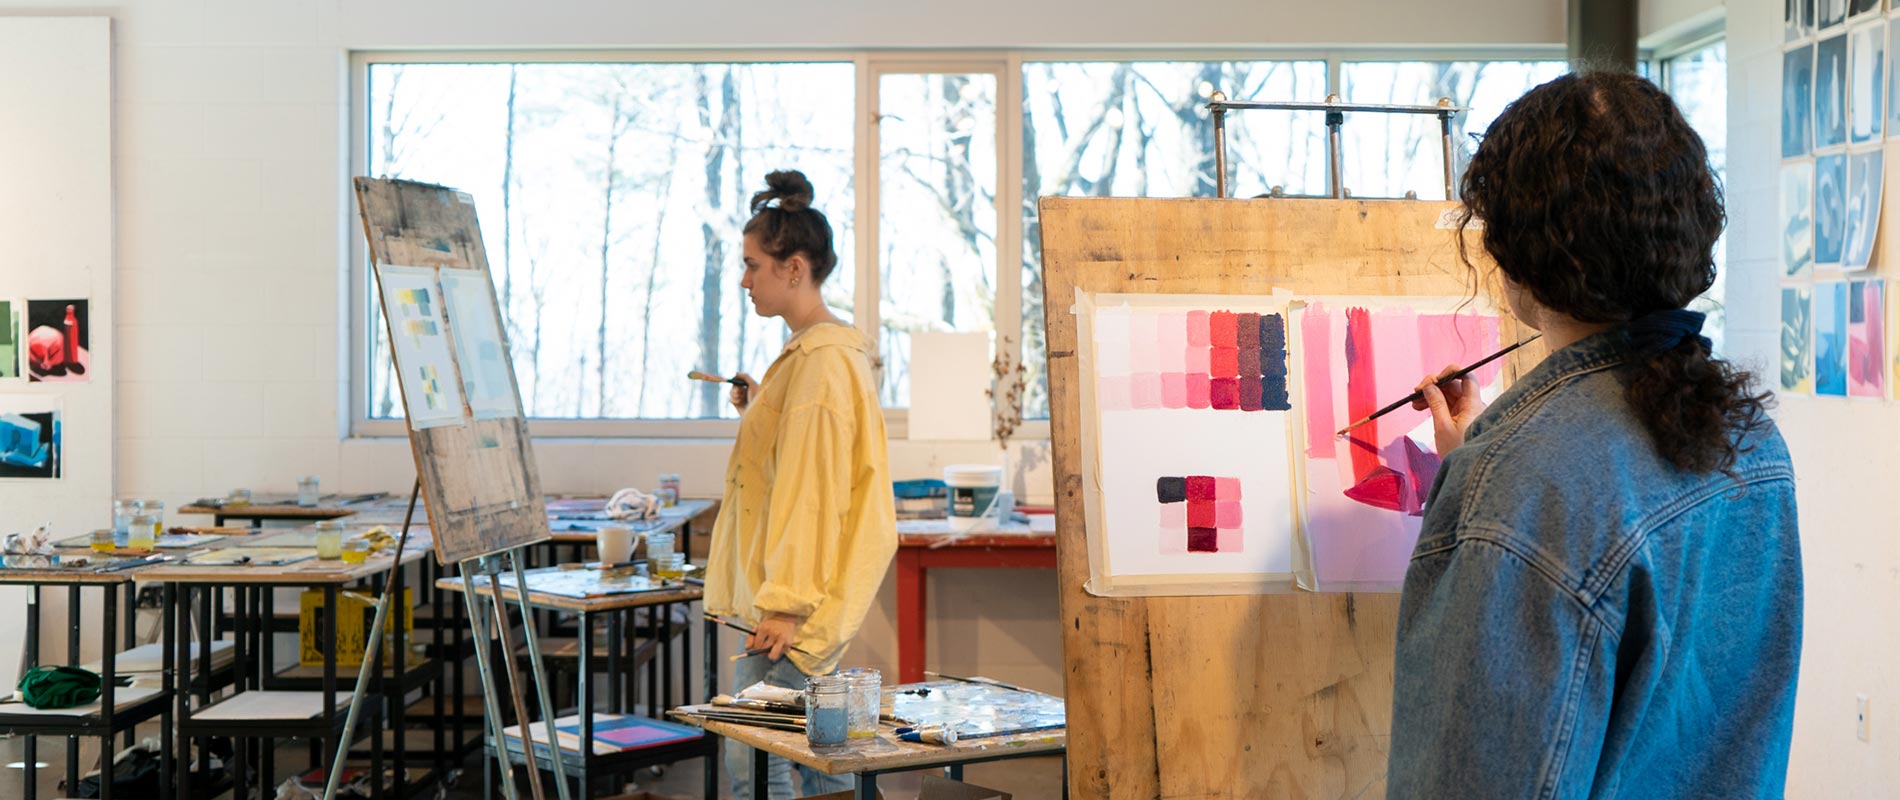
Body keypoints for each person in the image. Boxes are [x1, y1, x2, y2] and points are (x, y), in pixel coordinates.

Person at [1389, 72, 1802, 798]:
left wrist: (1488, 493)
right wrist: (1482, 474)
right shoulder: (1750, 438)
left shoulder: (1520, 488)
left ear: (1521, 256)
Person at [703, 169, 897, 800]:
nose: (743, 280)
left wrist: (785, 603)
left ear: (794, 268)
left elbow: (812, 495)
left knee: (753, 758)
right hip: (803, 596)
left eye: (752, 265)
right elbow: (799, 463)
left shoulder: (819, 362)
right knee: (815, 755)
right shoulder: (816, 355)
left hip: (798, 604)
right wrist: (760, 409)